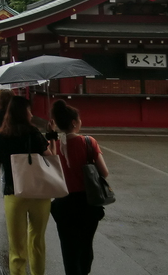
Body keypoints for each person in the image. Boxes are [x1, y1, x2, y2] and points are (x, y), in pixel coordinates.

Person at [0, 96, 53, 275]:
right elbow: (51, 158)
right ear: (23, 113)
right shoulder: (34, 133)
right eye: (29, 111)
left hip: (14, 194)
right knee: (37, 241)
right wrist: (51, 134)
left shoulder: (2, 136)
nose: (31, 114)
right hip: (39, 194)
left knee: (16, 247)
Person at [50, 99, 110, 275]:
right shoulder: (89, 142)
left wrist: (51, 133)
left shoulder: (53, 146)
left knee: (68, 248)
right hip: (87, 203)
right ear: (74, 123)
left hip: (63, 203)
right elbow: (104, 172)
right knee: (85, 245)